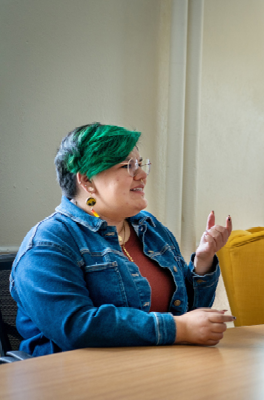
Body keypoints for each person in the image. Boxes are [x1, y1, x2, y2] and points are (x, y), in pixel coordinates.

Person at [10, 123, 234, 357]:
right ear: (87, 180)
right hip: (72, 381)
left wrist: (203, 261)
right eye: (129, 166)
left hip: (157, 366)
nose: (143, 175)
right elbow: (76, 327)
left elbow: (188, 312)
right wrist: (179, 328)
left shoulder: (150, 227)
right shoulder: (48, 243)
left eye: (141, 164)